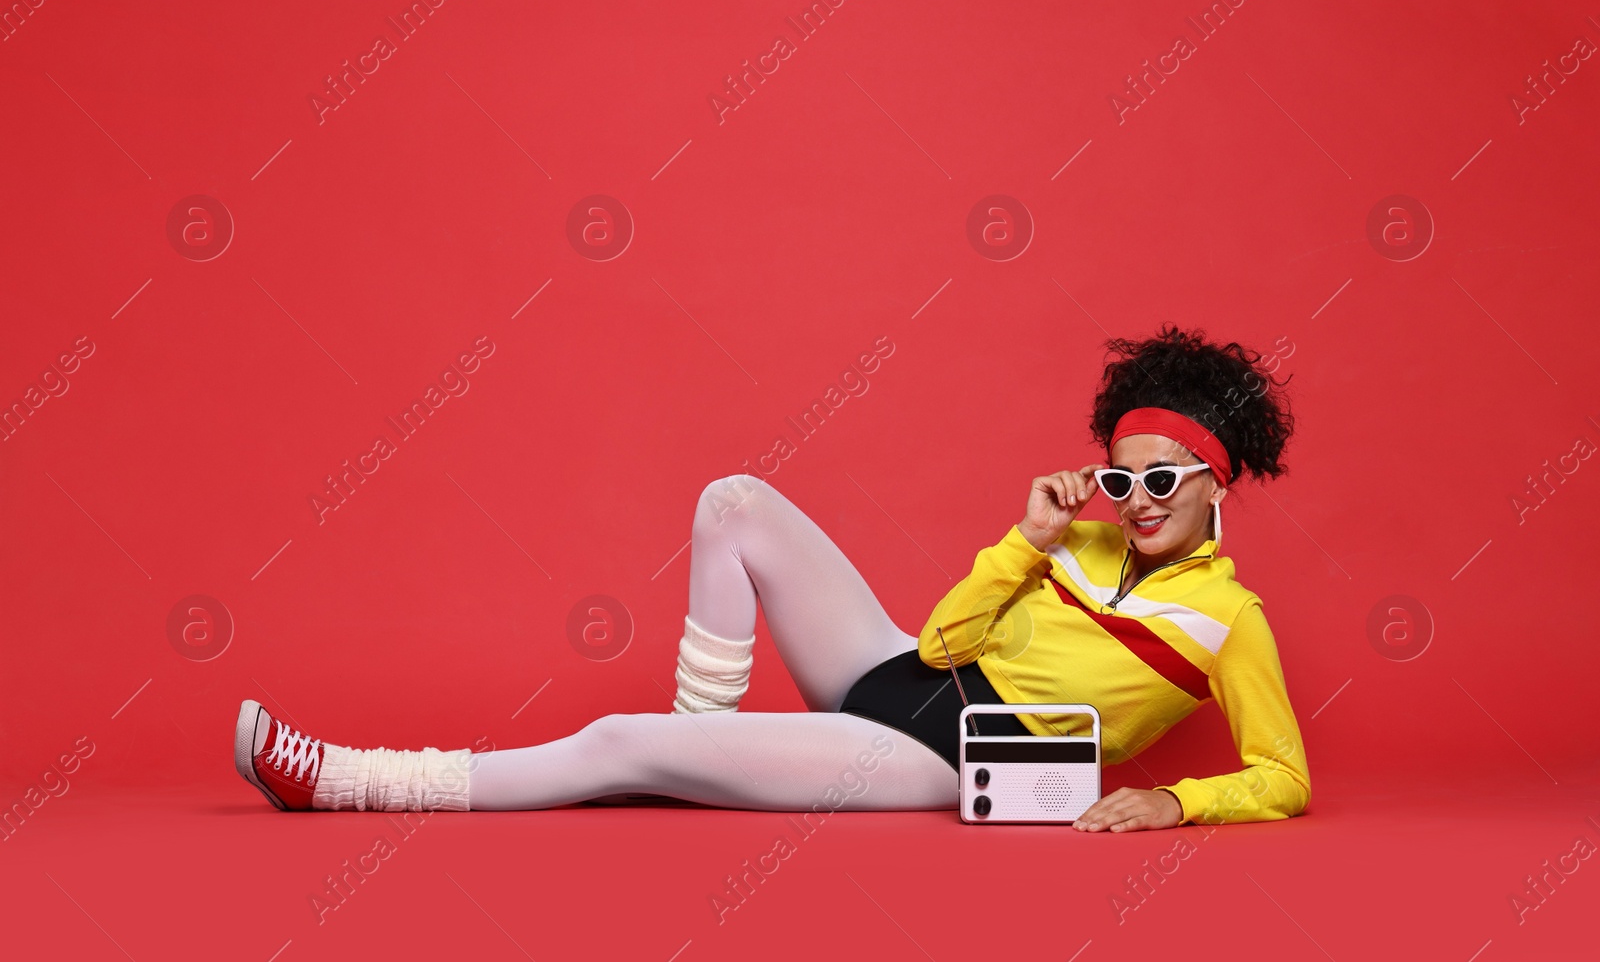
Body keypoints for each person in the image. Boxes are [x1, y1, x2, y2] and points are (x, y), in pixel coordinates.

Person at [234, 324, 1311, 831]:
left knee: (614, 739)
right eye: (1122, 477)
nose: (1139, 497)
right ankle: (691, 748)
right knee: (733, 499)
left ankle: (339, 776)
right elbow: (941, 642)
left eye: (1165, 477)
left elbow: (1281, 774)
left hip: (942, 754)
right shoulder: (1080, 542)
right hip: (903, 672)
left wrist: (1174, 797)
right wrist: (1028, 537)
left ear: (1216, 482)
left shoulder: (1230, 617)